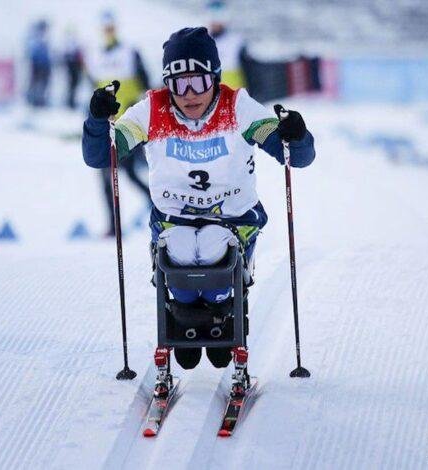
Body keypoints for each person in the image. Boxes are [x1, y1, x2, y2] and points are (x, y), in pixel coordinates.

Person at [82, 27, 315, 372]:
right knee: (179, 249)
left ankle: (220, 309)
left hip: (233, 220)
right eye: (179, 84)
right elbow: (102, 156)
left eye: (199, 82)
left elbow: (296, 155)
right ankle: (185, 314)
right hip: (174, 220)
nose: (189, 94)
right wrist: (98, 121)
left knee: (211, 246)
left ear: (216, 78)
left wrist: (296, 136)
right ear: (167, 84)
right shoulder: (151, 111)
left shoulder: (238, 107)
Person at [88, 11, 152, 236]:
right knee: (105, 176)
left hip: (129, 126)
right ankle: (113, 226)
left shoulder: (129, 52)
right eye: (105, 29)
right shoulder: (94, 55)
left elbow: (146, 85)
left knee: (129, 173)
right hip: (107, 125)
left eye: (111, 28)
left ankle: (155, 205)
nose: (108, 32)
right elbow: (93, 89)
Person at [206, 0, 249, 90]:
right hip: (211, 98)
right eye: (212, 16)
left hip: (234, 98)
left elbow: (251, 72)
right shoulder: (202, 42)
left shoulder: (237, 42)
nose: (215, 21)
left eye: (219, 17)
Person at [25, 19, 52, 107]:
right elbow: (31, 50)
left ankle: (41, 100)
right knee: (35, 82)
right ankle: (32, 99)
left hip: (45, 64)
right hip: (37, 64)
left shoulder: (46, 37)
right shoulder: (35, 36)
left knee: (44, 83)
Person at [62, 28, 85, 110]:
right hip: (72, 68)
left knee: (73, 85)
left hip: (74, 68)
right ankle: (70, 102)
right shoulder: (69, 44)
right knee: (72, 85)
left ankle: (71, 101)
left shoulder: (73, 44)